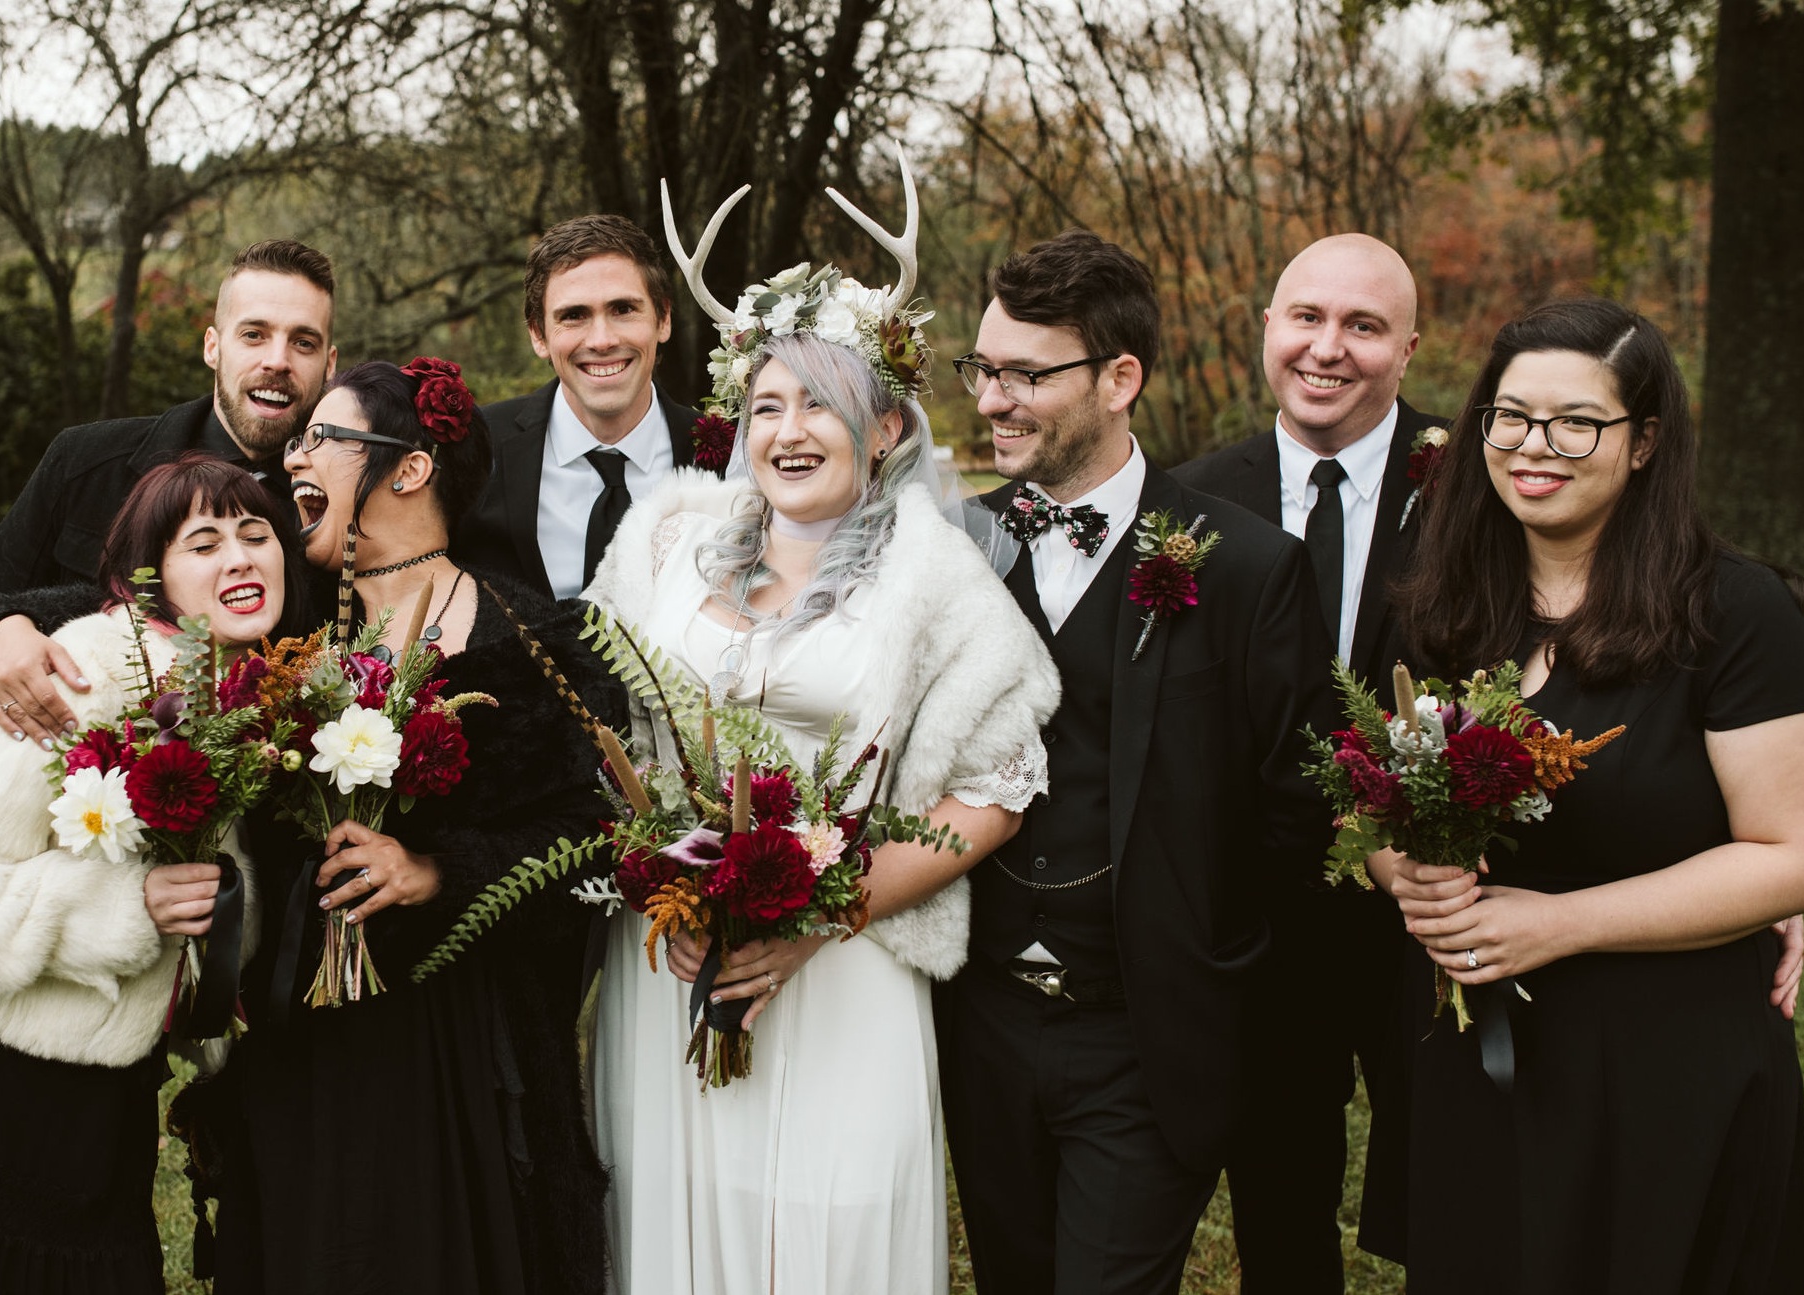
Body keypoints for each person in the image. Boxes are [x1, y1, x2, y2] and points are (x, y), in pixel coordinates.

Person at [587, 164, 1061, 1294]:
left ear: (885, 424)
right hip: (671, 960)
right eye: (766, 405)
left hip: (844, 962)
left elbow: (995, 788)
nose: (788, 432)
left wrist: (816, 917)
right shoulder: (665, 541)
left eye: (819, 404)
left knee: (824, 1222)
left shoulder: (937, 578)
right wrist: (663, 879)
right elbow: (602, 732)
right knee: (675, 1213)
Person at [1375, 297, 1804, 1292]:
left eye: (1577, 422)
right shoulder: (1442, 604)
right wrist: (1408, 874)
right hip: (1479, 1055)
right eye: (1511, 416)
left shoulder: (1732, 612)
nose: (1536, 446)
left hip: (1667, 1063)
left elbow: (1789, 855)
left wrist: (1557, 924)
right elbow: (1374, 803)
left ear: (1644, 440)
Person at [940, 228, 1336, 1295]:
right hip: (982, 1022)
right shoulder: (951, 550)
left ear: (1119, 380)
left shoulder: (1250, 567)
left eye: (1027, 375)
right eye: (983, 368)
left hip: (1145, 1034)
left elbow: (1293, 818)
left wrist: (1212, 971)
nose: (992, 399)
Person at [213, 358, 620, 1295]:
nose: (294, 456)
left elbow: (594, 843)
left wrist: (439, 870)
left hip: (463, 1049)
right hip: (306, 1042)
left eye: (322, 437)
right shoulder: (287, 627)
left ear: (409, 468)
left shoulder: (528, 642)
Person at [0, 454, 309, 1294]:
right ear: (148, 579)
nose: (240, 558)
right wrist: (124, 910)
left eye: (257, 535)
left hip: (94, 1107)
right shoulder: (83, 672)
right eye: (204, 543)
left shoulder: (244, 702)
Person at [1170, 232, 1441, 1277]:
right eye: (1306, 318)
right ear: (1267, 329)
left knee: (1461, 1191)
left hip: (1435, 913)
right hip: (1265, 915)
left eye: (1362, 326)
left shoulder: (1477, 487)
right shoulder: (1189, 500)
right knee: (1282, 1203)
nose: (1327, 348)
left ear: (1406, 349)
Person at [0, 239, 339, 745]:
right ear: (213, 346)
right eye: (254, 335)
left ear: (329, 364)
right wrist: (3, 633)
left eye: (303, 343)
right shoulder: (84, 462)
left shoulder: (341, 508)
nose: (277, 361)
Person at [456, 214, 710, 597]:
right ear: (538, 334)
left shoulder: (729, 456)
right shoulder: (475, 449)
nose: (602, 340)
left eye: (623, 309)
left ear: (663, 318)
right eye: (574, 316)